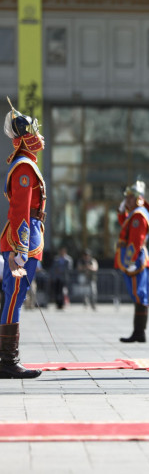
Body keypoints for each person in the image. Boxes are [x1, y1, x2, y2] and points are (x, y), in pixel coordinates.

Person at [0, 100, 46, 379]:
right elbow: (20, 212)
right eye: (35, 131)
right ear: (26, 137)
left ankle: (6, 359)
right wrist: (20, 250)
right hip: (23, 239)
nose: (39, 136)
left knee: (13, 296)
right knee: (14, 296)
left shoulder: (25, 164)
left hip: (24, 237)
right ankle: (8, 360)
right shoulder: (25, 167)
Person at [115, 180, 149, 343]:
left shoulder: (138, 215)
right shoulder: (135, 214)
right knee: (138, 295)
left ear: (138, 198)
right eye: (127, 197)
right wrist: (121, 211)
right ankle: (139, 332)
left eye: (131, 198)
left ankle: (139, 332)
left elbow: (136, 240)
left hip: (135, 260)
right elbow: (126, 227)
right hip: (135, 259)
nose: (127, 200)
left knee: (139, 294)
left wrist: (130, 260)